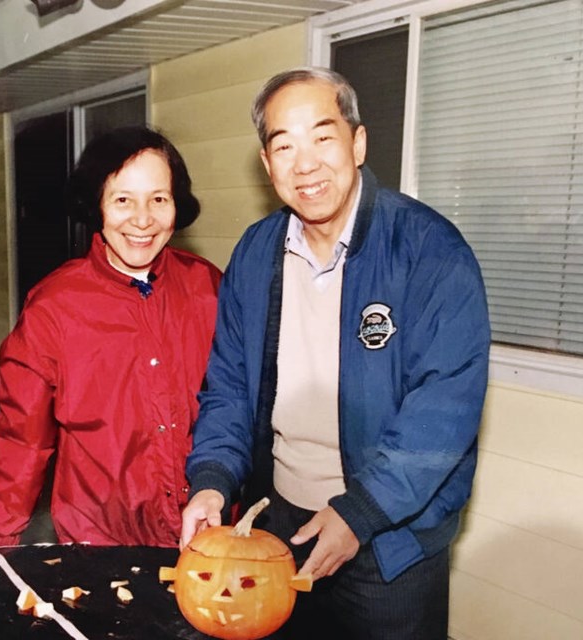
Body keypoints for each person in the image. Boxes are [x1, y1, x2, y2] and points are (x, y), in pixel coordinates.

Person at [180, 67, 491, 639]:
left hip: (390, 539)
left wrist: (361, 512)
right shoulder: (255, 254)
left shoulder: (430, 251)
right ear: (267, 163)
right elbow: (227, 383)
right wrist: (212, 479)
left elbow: (443, 413)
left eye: (323, 137)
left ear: (358, 142)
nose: (306, 163)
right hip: (277, 528)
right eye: (284, 145)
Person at [0, 126, 222, 548]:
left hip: (203, 530)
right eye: (123, 199)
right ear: (97, 205)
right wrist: (0, 535)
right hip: (98, 538)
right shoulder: (54, 307)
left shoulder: (209, 287)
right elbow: (22, 438)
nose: (143, 220)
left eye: (158, 199)